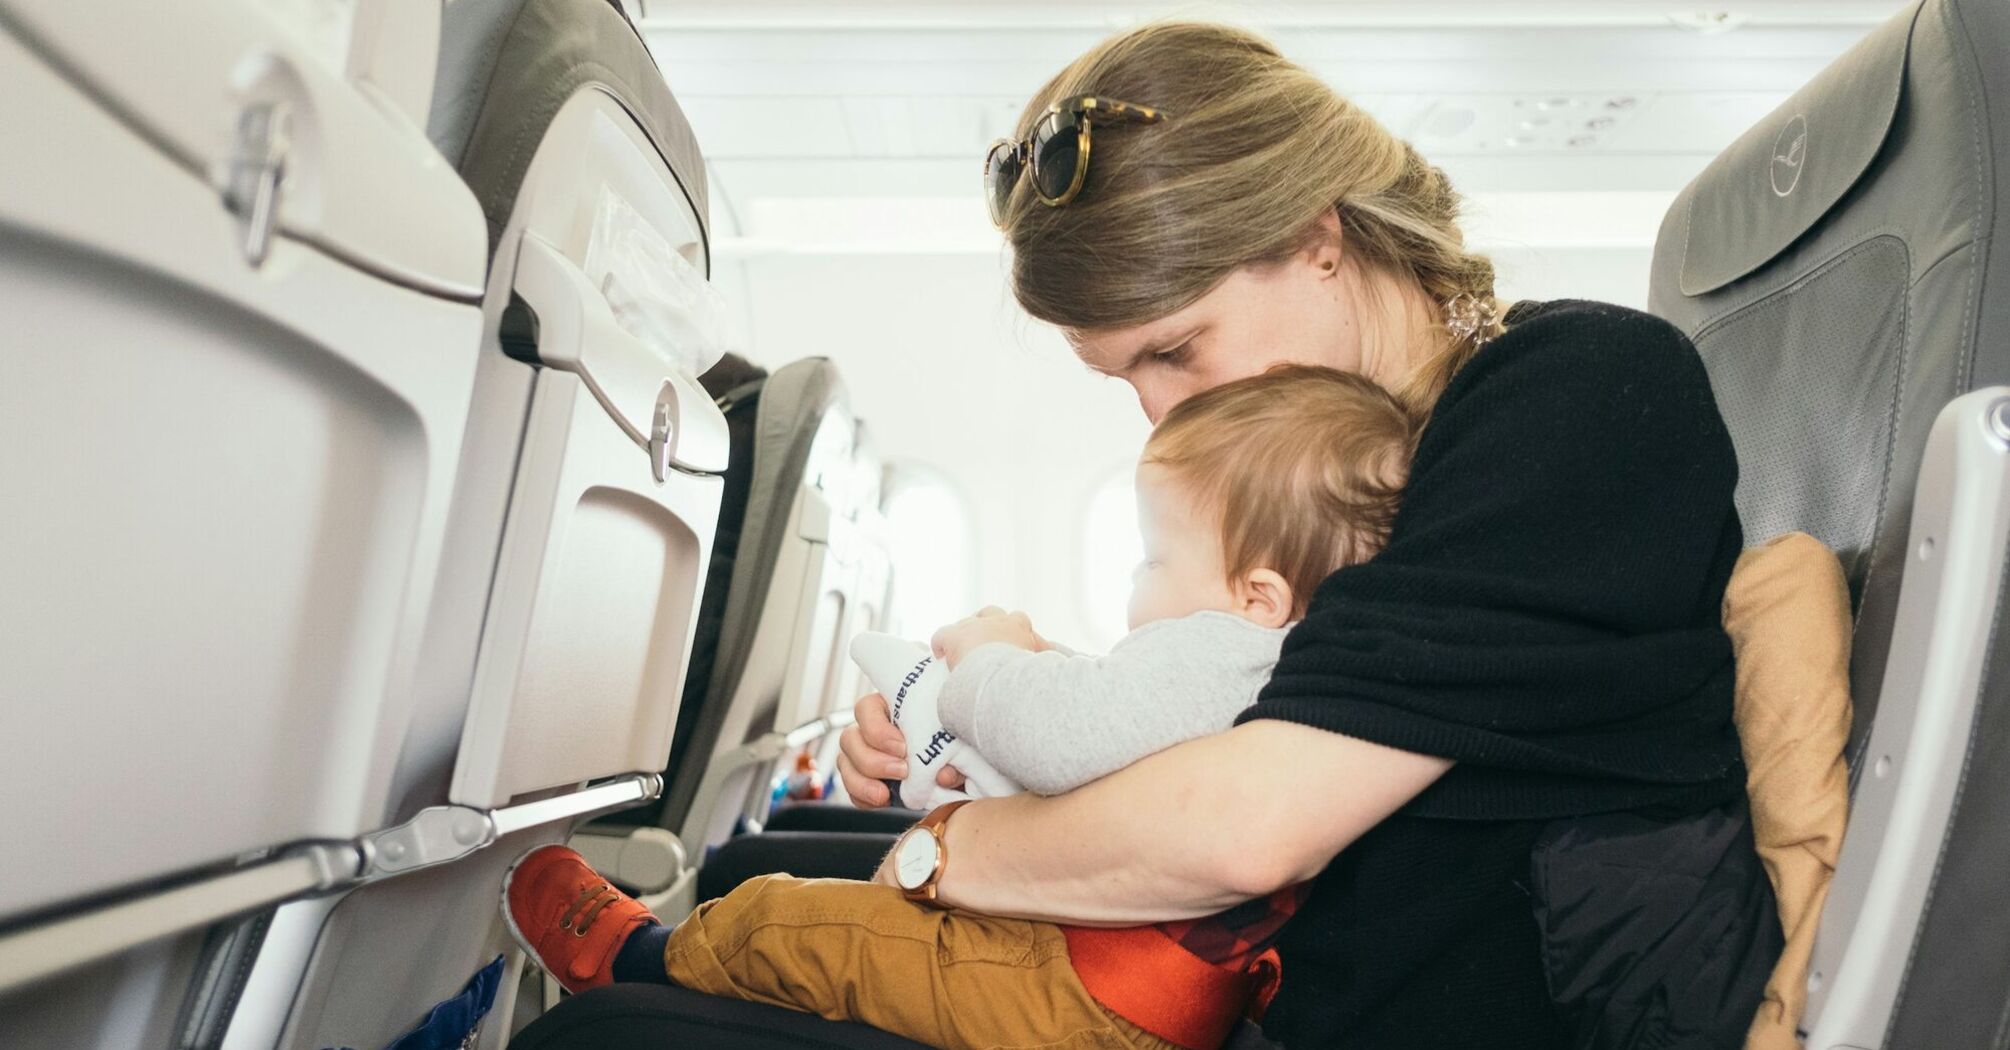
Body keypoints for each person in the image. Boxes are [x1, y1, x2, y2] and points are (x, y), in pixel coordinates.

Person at [827, 20, 1780, 1050]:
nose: (1158, 414)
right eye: (1125, 379)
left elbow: (1248, 828)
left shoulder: (1579, 393)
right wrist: (972, 731)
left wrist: (949, 850)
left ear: (1319, 242)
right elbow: (1267, 713)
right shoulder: (1321, 471)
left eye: (1177, 350)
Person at [503, 365, 1422, 1050]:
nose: (1138, 587)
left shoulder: (1226, 646)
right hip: (1128, 991)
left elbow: (1064, 738)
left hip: (1083, 996)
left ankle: (637, 959)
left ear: (1259, 594)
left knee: (801, 923)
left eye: (1152, 562)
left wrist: (989, 660)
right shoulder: (1289, 663)